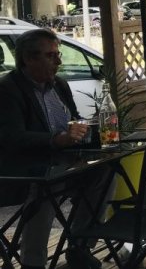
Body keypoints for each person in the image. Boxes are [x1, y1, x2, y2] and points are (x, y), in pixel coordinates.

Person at [0, 29, 107, 269]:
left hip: (63, 162)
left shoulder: (59, 84)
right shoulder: (8, 90)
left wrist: (86, 128)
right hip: (21, 170)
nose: (59, 61)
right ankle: (33, 263)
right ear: (29, 59)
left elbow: (73, 120)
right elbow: (11, 138)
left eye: (58, 54)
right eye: (51, 56)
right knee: (46, 188)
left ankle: (80, 246)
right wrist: (55, 140)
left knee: (106, 173)